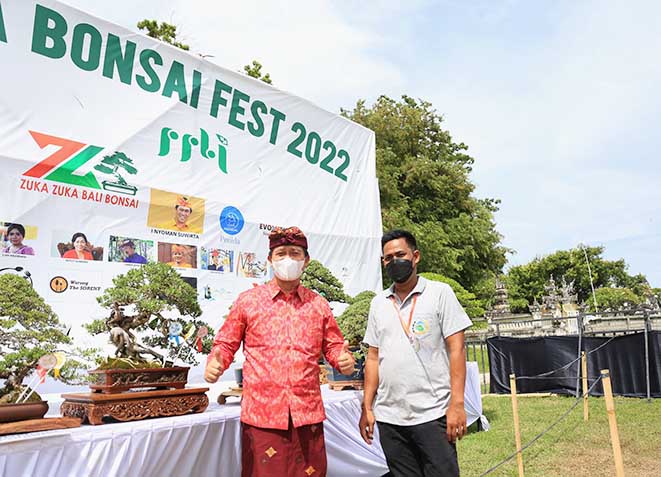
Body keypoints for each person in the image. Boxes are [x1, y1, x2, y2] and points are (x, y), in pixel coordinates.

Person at [204, 226, 356, 477]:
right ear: (270, 260)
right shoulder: (248, 301)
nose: (288, 259)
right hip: (263, 416)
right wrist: (215, 362)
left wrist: (343, 359)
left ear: (306, 261)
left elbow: (333, 345)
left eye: (295, 253)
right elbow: (225, 343)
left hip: (306, 414)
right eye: (281, 253)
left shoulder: (318, 304)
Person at [359, 229, 472, 477]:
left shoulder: (440, 293)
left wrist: (457, 403)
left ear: (416, 256)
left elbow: (457, 349)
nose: (394, 261)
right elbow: (373, 357)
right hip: (390, 418)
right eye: (388, 258)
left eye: (400, 254)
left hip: (432, 413)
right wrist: (367, 406)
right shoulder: (378, 303)